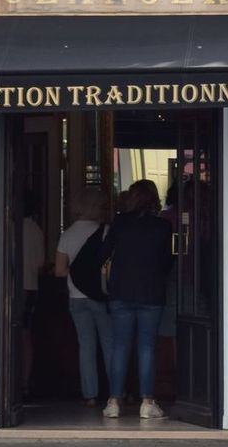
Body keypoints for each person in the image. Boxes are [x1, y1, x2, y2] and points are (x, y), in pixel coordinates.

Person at [102, 180, 174, 420]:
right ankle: (147, 402)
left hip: (121, 292)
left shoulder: (120, 223)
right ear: (154, 198)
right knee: (146, 348)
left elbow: (102, 254)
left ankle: (113, 402)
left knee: (120, 346)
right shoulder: (163, 227)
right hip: (151, 293)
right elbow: (167, 263)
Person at [54, 187, 111, 407]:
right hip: (100, 295)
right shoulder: (105, 232)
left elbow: (59, 271)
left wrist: (77, 273)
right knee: (109, 342)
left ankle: (90, 395)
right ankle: (114, 392)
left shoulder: (66, 234)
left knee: (85, 345)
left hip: (76, 298)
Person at [20, 193, 44, 397]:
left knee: (11, 335)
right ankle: (25, 383)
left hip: (15, 288)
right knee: (26, 335)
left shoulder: (10, 227)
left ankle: (14, 382)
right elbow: (40, 263)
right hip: (31, 287)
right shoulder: (35, 230)